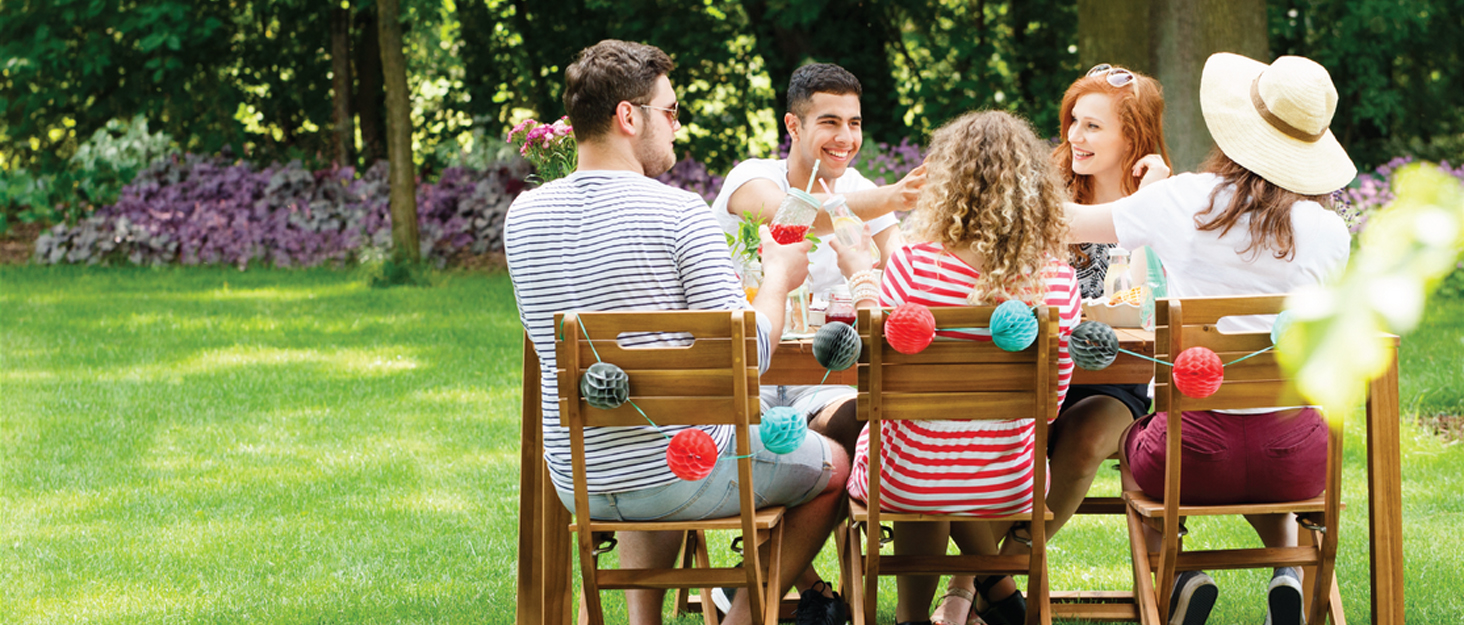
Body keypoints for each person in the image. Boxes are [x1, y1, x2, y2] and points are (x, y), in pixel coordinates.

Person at [503, 39, 850, 625]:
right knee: (838, 466)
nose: (677, 126)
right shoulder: (679, 213)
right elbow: (747, 355)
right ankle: (744, 617)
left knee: (659, 436)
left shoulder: (524, 217)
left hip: (580, 479)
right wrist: (777, 281)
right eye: (669, 111)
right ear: (628, 116)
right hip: (682, 469)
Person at [1066, 52, 1356, 625]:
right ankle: (1290, 572)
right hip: (1299, 459)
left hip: (1191, 456)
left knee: (1134, 444)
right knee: (1259, 442)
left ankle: (1179, 577)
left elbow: (1069, 223)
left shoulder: (1185, 199)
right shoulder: (1331, 232)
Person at [931, 63, 1176, 625]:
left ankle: (1001, 571)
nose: (1073, 136)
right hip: (1038, 367)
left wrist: (1149, 204)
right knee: (989, 438)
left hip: (1118, 375)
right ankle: (978, 586)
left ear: (1132, 136)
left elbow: (1136, 302)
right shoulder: (1046, 189)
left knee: (1089, 437)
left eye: (1093, 127)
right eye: (1073, 122)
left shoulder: (1164, 199)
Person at [843, 110, 1082, 625]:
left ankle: (913, 616)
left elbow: (879, 367)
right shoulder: (1058, 281)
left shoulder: (911, 266)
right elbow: (1052, 404)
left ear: (947, 181)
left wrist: (861, 274)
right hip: (1008, 480)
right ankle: (995, 584)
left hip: (905, 479)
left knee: (918, 443)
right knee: (949, 446)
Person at [711, 62, 927, 461]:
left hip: (825, 378)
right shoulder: (752, 177)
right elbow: (790, 217)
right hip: (747, 377)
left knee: (862, 419)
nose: (845, 137)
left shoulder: (861, 191)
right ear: (793, 126)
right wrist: (890, 196)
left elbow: (905, 271)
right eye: (830, 122)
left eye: (854, 123)